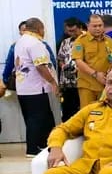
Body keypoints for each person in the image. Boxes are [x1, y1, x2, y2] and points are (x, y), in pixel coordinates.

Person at [14, 18, 59, 157]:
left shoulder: (20, 41)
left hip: (23, 88)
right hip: (36, 88)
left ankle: (41, 146)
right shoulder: (35, 43)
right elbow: (40, 66)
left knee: (33, 118)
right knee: (38, 119)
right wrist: (52, 82)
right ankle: (33, 149)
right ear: (39, 28)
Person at [72, 14, 112, 108]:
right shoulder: (81, 41)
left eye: (100, 25)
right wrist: (95, 74)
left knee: (105, 111)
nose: (98, 28)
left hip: (105, 84)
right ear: (88, 26)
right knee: (88, 112)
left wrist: (111, 71)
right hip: (87, 85)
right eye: (94, 26)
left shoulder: (109, 40)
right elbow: (78, 61)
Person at [3, 21, 57, 89]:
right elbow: (9, 65)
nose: (26, 33)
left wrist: (51, 78)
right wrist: (5, 80)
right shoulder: (15, 46)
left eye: (27, 30)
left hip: (41, 84)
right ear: (20, 32)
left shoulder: (42, 44)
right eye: (23, 30)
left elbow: (52, 63)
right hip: (24, 83)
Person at [56, 17, 84, 121]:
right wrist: (63, 66)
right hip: (67, 82)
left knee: (81, 109)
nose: (71, 33)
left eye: (73, 31)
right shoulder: (65, 42)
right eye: (69, 31)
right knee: (67, 110)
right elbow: (60, 58)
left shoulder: (87, 40)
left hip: (82, 81)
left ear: (80, 28)